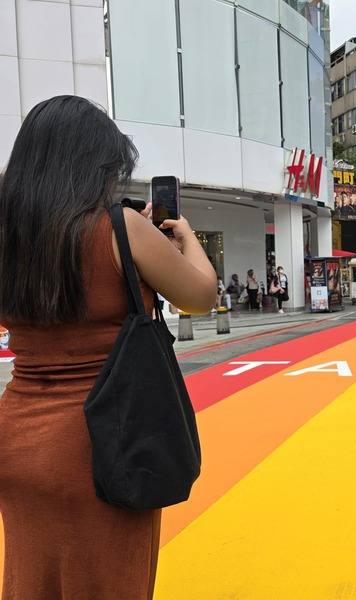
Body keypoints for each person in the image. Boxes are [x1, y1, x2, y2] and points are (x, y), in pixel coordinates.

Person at [0, 95, 218, 599]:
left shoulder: (10, 239)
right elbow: (200, 296)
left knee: (31, 583)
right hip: (108, 444)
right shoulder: (122, 230)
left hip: (17, 441)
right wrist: (184, 239)